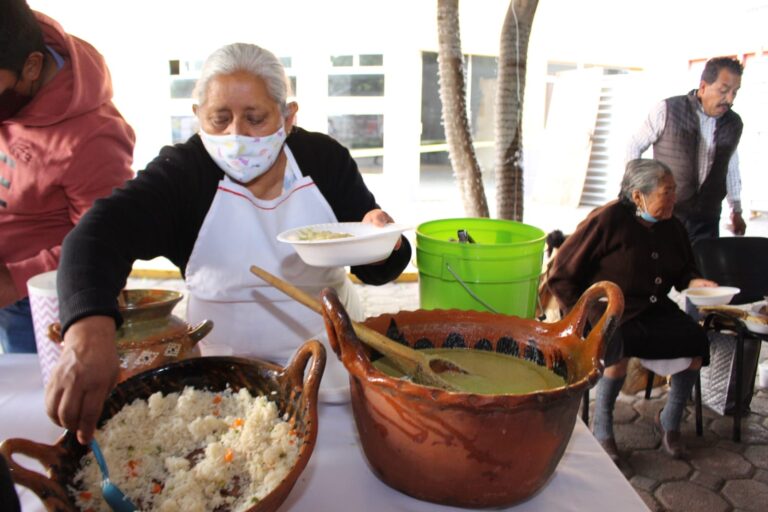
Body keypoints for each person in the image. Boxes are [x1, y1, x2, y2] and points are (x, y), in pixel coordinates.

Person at [45, 42, 411, 445]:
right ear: (197, 117)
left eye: (255, 119)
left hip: (328, 367)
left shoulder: (323, 160)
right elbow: (98, 234)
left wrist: (384, 243)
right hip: (224, 373)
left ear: (288, 117)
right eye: (219, 119)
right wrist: (86, 329)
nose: (236, 136)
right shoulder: (182, 174)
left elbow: (378, 269)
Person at [547, 159, 716, 460]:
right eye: (668, 191)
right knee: (617, 342)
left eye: (675, 191)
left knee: (695, 340)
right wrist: (580, 313)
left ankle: (670, 420)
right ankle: (603, 427)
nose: (675, 198)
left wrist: (696, 280)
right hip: (609, 308)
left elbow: (683, 272)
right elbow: (561, 272)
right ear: (639, 195)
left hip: (652, 307)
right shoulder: (607, 220)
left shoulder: (672, 225)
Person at [0, 1, 135, 353]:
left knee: (39, 403)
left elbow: (104, 244)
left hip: (37, 304)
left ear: (31, 67)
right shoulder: (9, 74)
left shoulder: (93, 137)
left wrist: (11, 281)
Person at [626, 57, 745, 244]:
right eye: (723, 91)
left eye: (735, 93)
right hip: (667, 213)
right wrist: (635, 194)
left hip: (707, 219)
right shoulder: (668, 110)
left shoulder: (733, 123)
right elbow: (634, 145)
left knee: (701, 269)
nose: (729, 99)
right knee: (663, 267)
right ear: (704, 86)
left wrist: (736, 210)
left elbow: (730, 164)